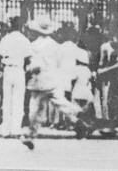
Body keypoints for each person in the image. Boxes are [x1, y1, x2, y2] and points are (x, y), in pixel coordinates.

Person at [22, 16, 88, 150]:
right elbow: (58, 62)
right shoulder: (55, 45)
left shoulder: (34, 46)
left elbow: (34, 65)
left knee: (35, 110)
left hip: (39, 81)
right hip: (53, 79)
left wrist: (29, 70)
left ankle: (30, 136)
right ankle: (76, 116)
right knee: (60, 102)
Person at [0, 17, 33, 137]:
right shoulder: (24, 40)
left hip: (8, 70)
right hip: (18, 70)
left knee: (6, 100)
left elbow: (0, 56)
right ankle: (15, 129)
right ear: (20, 26)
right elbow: (29, 58)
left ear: (11, 25)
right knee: (18, 101)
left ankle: (5, 130)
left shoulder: (5, 39)